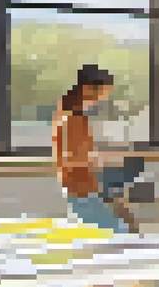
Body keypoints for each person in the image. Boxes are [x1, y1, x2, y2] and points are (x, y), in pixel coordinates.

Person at [53, 64, 130, 233]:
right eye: (103, 92)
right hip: (83, 191)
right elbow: (75, 158)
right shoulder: (75, 119)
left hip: (77, 190)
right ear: (89, 88)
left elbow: (72, 155)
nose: (103, 98)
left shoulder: (66, 114)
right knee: (120, 234)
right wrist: (103, 160)